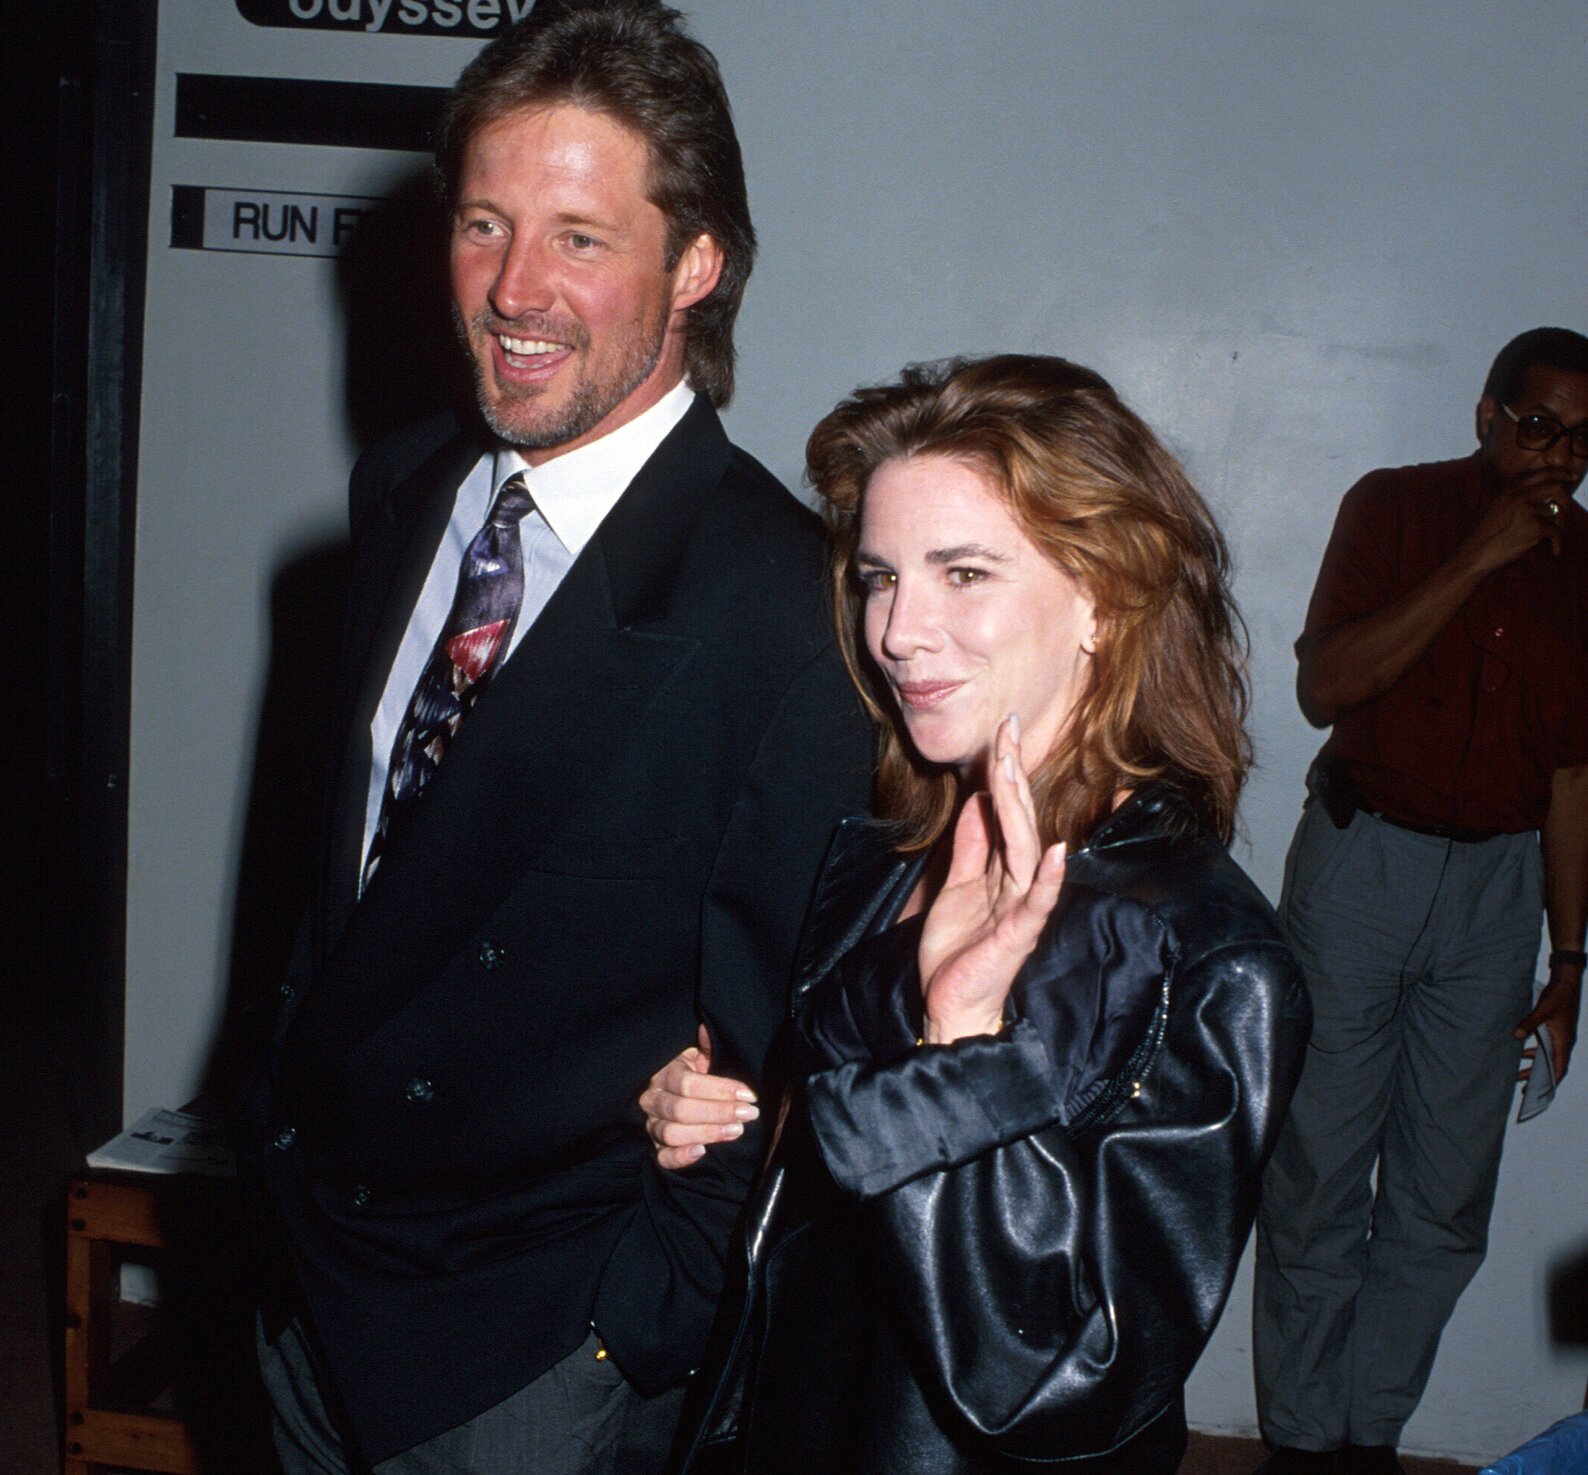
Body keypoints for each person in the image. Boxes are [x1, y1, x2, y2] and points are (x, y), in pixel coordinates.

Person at [235, 5, 872, 1473]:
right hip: (309, 1277)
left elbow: (796, 1048)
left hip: (531, 1349)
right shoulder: (408, 489)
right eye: (483, 223)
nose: (514, 289)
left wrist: (631, 1331)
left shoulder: (786, 604)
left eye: (581, 238)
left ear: (695, 264)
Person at [639, 354, 1312, 1474]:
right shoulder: (885, 848)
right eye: (877, 576)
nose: (897, 630)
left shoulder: (1203, 954)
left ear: (1105, 594)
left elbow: (1073, 1377)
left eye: (962, 573)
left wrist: (963, 1045)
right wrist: (709, 1110)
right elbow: (830, 1198)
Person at [1251, 328, 1588, 1475]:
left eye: (1583, 437)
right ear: (1487, 415)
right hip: (1362, 861)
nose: (1559, 454)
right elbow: (1323, 686)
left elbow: (1573, 779)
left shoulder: (1587, 566)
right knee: (1318, 1175)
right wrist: (1477, 560)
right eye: (1539, 423)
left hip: (1496, 891)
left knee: (1444, 1202)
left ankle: (1364, 1437)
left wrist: (1568, 959)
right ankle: (1300, 1444)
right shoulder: (1392, 509)